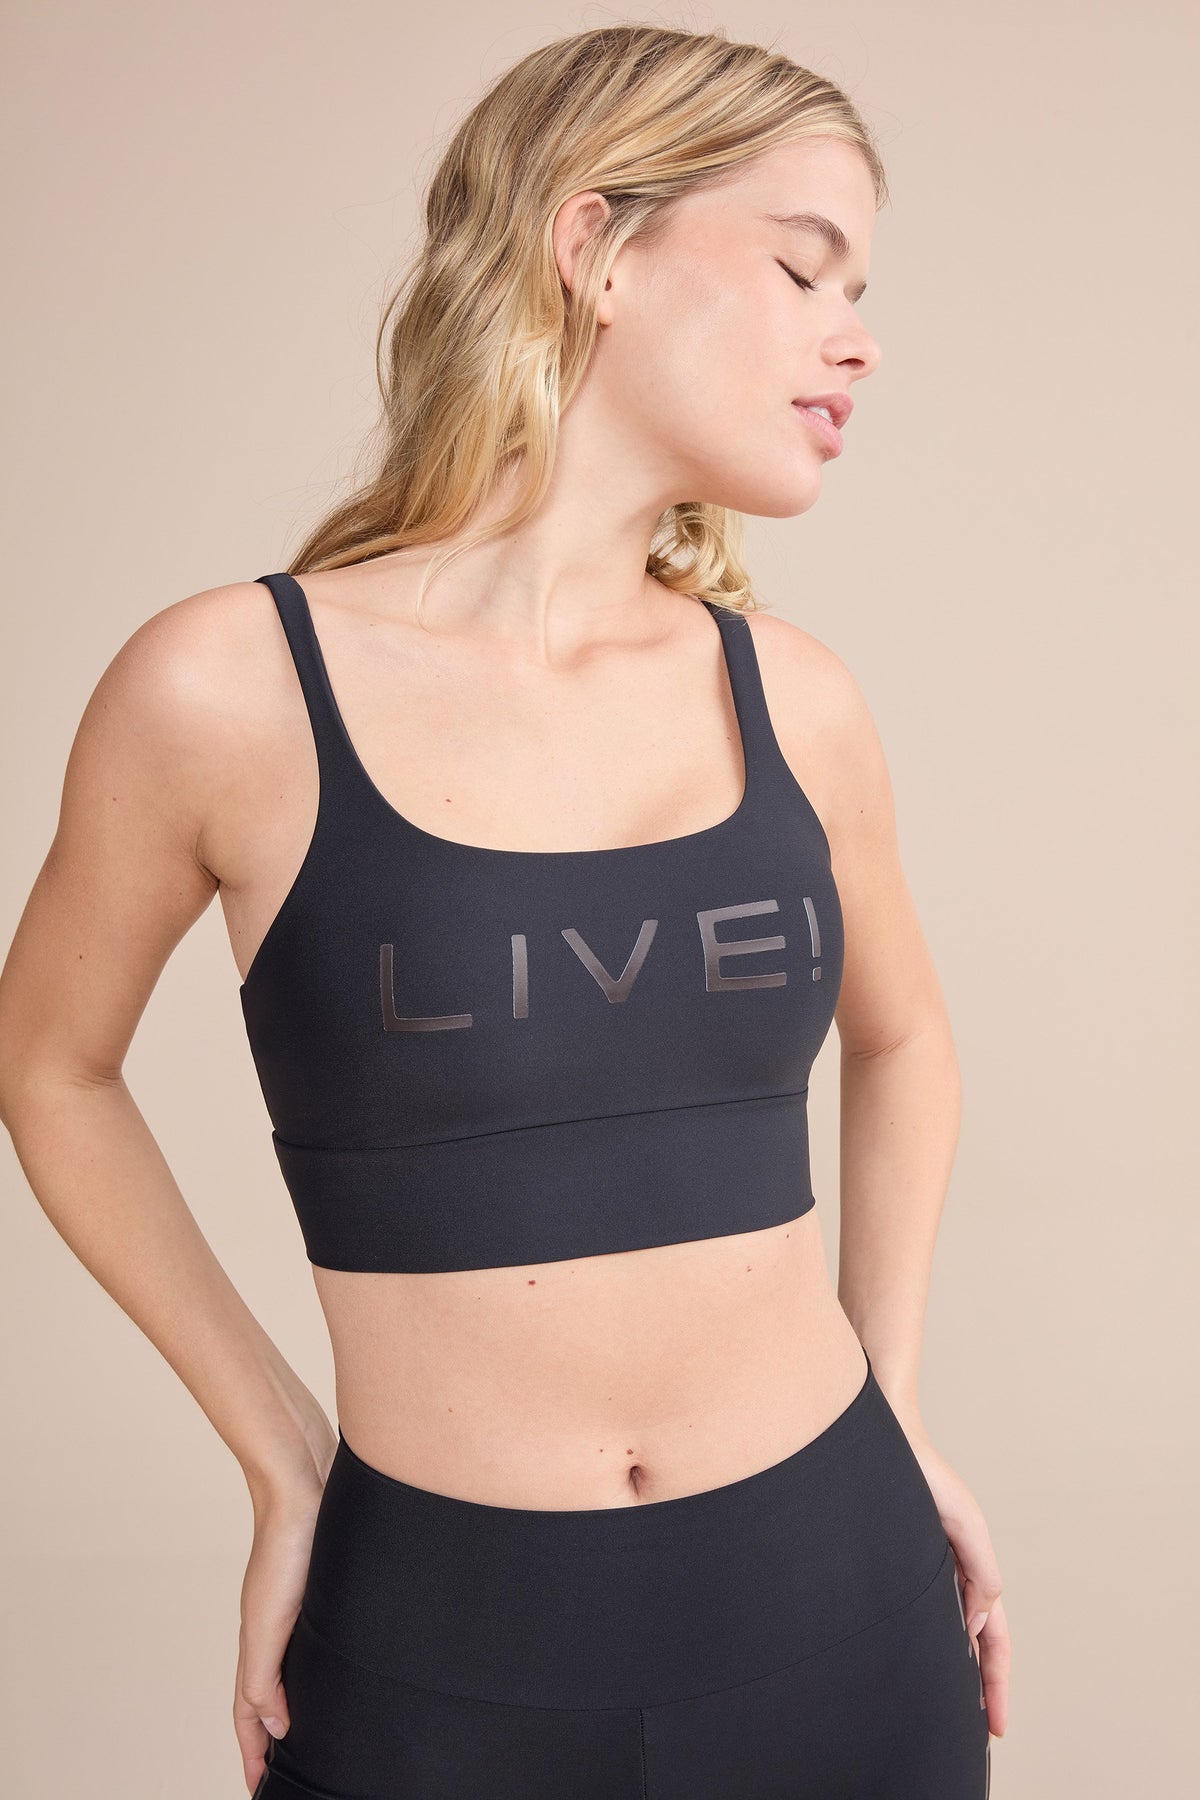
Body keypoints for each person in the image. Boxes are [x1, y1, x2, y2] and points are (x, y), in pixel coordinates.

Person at [0, 24, 1009, 1799]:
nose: (859, 337)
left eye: (861, 292)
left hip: (839, 1606)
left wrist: (898, 1394)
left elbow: (908, 1031)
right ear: (595, 246)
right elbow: (50, 1068)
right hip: (436, 1651)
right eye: (803, 269)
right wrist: (281, 1457)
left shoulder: (796, 699)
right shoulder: (229, 688)